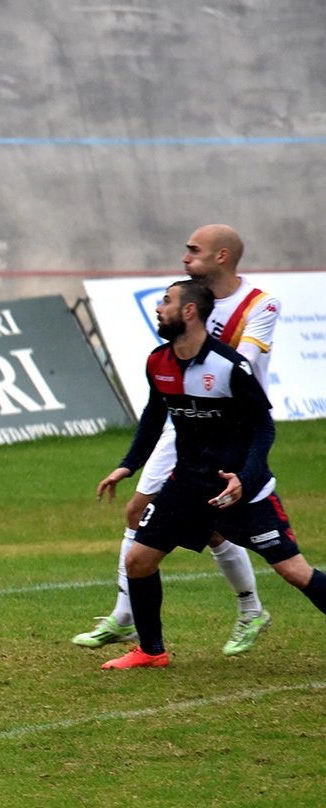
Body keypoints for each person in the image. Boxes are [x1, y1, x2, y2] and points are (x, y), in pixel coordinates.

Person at [95, 279, 326, 669]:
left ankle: (248, 611)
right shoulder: (158, 361)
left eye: (166, 302)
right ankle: (152, 651)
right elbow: (154, 417)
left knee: (294, 571)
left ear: (189, 312)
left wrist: (244, 478)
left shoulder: (229, 366)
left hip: (240, 492)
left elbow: (263, 428)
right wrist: (127, 465)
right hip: (186, 487)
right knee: (138, 561)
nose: (159, 308)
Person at [74, 224, 280, 656]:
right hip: (183, 422)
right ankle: (129, 619)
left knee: (207, 524)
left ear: (221, 256)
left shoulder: (257, 305)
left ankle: (245, 608)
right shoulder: (187, 300)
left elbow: (239, 365)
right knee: (144, 511)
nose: (185, 258)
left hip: (226, 429)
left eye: (194, 251)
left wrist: (193, 339)